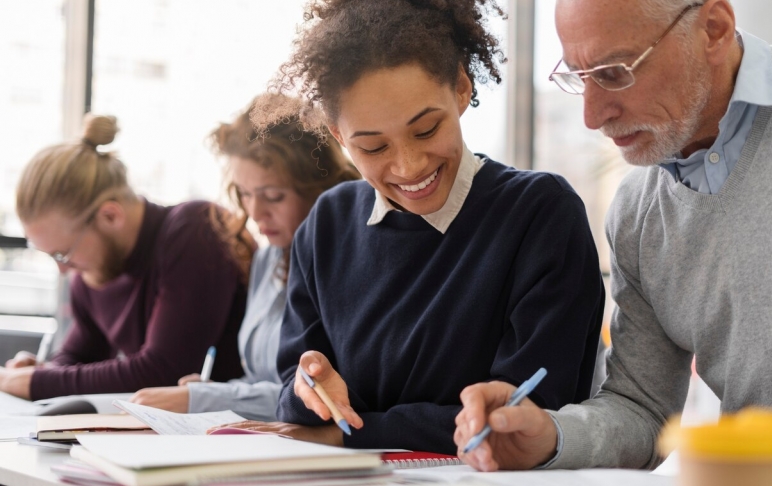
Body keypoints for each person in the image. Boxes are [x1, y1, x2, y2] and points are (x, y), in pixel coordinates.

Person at [455, 0, 772, 471]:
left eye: (615, 72)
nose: (593, 116)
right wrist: (550, 437)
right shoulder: (638, 215)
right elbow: (642, 408)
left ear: (714, 30)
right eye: (578, 77)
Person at [219, 0, 605, 454]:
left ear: (461, 88)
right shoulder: (327, 224)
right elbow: (295, 390)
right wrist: (311, 389)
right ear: (340, 137)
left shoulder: (540, 215)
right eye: (373, 147)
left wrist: (351, 434)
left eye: (425, 130)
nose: (408, 166)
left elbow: (525, 416)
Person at [129, 96, 360, 420]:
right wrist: (212, 392)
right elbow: (262, 382)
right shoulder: (266, 262)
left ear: (319, 188)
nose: (255, 212)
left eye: (273, 196)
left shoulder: (349, 263)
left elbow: (320, 394)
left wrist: (208, 397)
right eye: (245, 194)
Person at [0, 114, 248, 400]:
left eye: (63, 253)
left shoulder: (196, 229)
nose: (63, 269)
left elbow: (162, 371)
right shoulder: (92, 271)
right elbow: (77, 359)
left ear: (110, 216)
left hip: (245, 430)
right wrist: (43, 370)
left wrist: (39, 382)